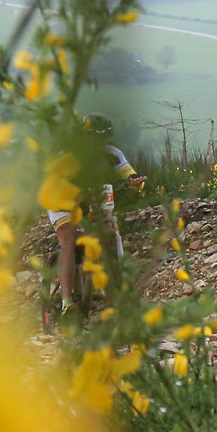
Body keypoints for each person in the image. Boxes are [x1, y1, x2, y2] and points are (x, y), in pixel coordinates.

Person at [46, 113, 144, 322]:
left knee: (111, 227)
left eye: (101, 139)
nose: (96, 144)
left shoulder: (112, 153)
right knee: (68, 239)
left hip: (90, 195)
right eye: (91, 139)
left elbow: (129, 172)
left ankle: (120, 291)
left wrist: (136, 182)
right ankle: (66, 302)